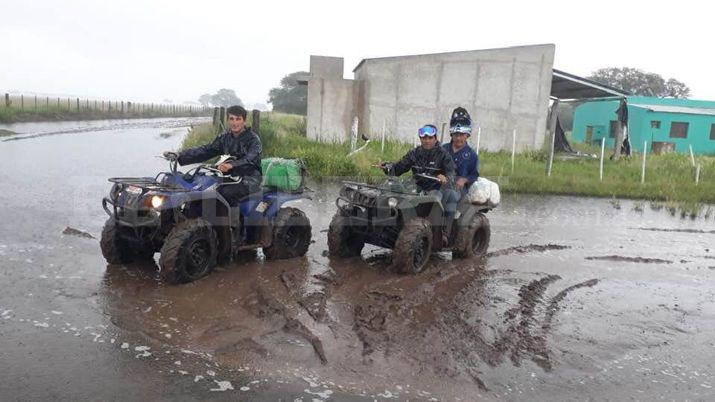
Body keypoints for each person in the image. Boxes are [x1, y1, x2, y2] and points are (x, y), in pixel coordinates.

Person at [163, 105, 262, 206]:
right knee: (202, 188)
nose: (234, 123)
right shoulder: (225, 138)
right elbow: (207, 150)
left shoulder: (253, 140)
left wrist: (231, 165)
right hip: (229, 176)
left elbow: (250, 159)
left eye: (238, 119)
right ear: (227, 120)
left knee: (226, 193)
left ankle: (234, 221)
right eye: (231, 119)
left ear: (244, 121)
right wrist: (179, 155)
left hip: (249, 179)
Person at [380, 124, 459, 240]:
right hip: (416, 187)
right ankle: (393, 225)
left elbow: (452, 172)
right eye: (424, 138)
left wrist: (445, 177)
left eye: (430, 138)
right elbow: (398, 168)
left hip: (435, 189)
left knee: (439, 198)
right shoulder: (414, 153)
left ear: (435, 138)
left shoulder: (443, 155)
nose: (426, 141)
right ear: (420, 139)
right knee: (392, 192)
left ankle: (444, 233)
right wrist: (387, 167)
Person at [443, 107, 479, 197]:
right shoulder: (442, 149)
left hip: (459, 190)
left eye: (462, 135)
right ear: (452, 134)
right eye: (456, 135)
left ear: (467, 135)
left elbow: (474, 175)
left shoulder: (472, 155)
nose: (458, 138)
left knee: (451, 196)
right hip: (441, 186)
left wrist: (464, 180)